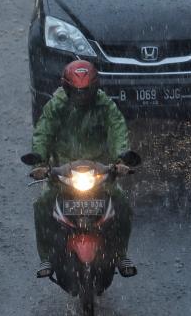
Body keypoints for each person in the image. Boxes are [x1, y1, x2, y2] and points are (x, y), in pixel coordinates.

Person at [30, 60, 137, 278]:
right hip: (62, 172)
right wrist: (39, 162)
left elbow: (117, 129)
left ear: (94, 88)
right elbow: (43, 132)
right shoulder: (56, 105)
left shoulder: (105, 105)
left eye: (85, 91)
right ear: (67, 88)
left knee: (122, 203)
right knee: (42, 205)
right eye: (77, 91)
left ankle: (120, 253)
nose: (81, 96)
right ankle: (47, 257)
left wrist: (121, 159)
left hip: (100, 171)